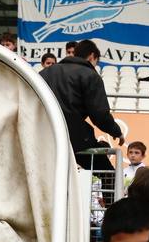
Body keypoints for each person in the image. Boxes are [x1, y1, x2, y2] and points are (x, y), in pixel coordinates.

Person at [40, 39, 124, 170]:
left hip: (43, 133)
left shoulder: (44, 73)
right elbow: (99, 114)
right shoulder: (90, 75)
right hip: (74, 136)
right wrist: (116, 131)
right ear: (92, 56)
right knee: (109, 175)